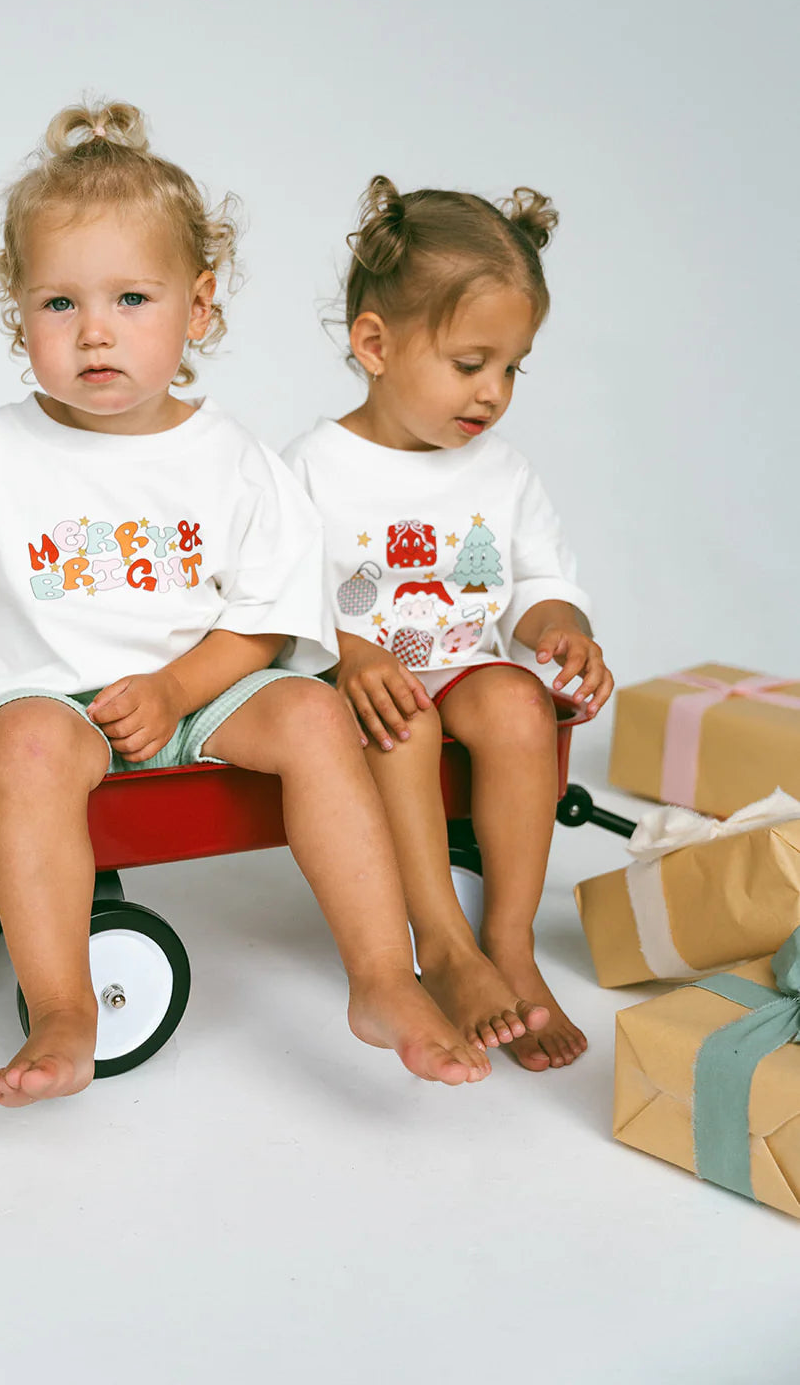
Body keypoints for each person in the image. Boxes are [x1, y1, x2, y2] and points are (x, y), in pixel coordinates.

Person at [0, 108, 490, 1105]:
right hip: (47, 694)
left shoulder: (231, 460)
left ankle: (383, 977)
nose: (94, 330)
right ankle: (64, 1005)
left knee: (311, 712)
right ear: (19, 314)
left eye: (132, 297)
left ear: (198, 308)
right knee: (31, 753)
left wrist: (178, 687)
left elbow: (264, 615)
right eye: (59, 303)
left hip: (202, 686)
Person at [284, 177, 614, 1071]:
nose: (493, 392)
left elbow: (537, 582)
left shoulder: (500, 474)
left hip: (460, 667)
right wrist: (346, 652)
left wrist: (560, 626)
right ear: (374, 344)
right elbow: (273, 602)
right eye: (470, 364)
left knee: (516, 703)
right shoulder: (311, 468)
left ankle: (508, 943)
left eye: (511, 367)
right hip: (355, 687)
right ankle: (441, 942)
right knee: (405, 718)